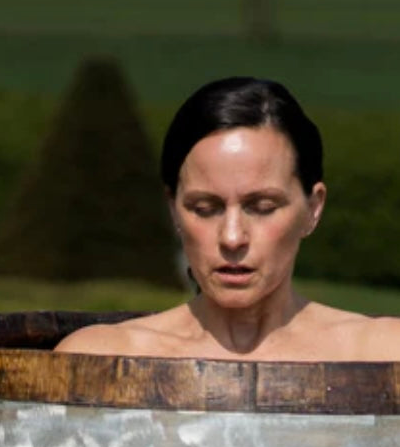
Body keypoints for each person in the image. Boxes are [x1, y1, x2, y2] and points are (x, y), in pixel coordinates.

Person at [55, 76, 400, 361]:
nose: (232, 238)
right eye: (205, 209)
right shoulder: (99, 358)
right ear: (173, 208)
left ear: (313, 208)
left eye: (262, 207)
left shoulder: (383, 355)